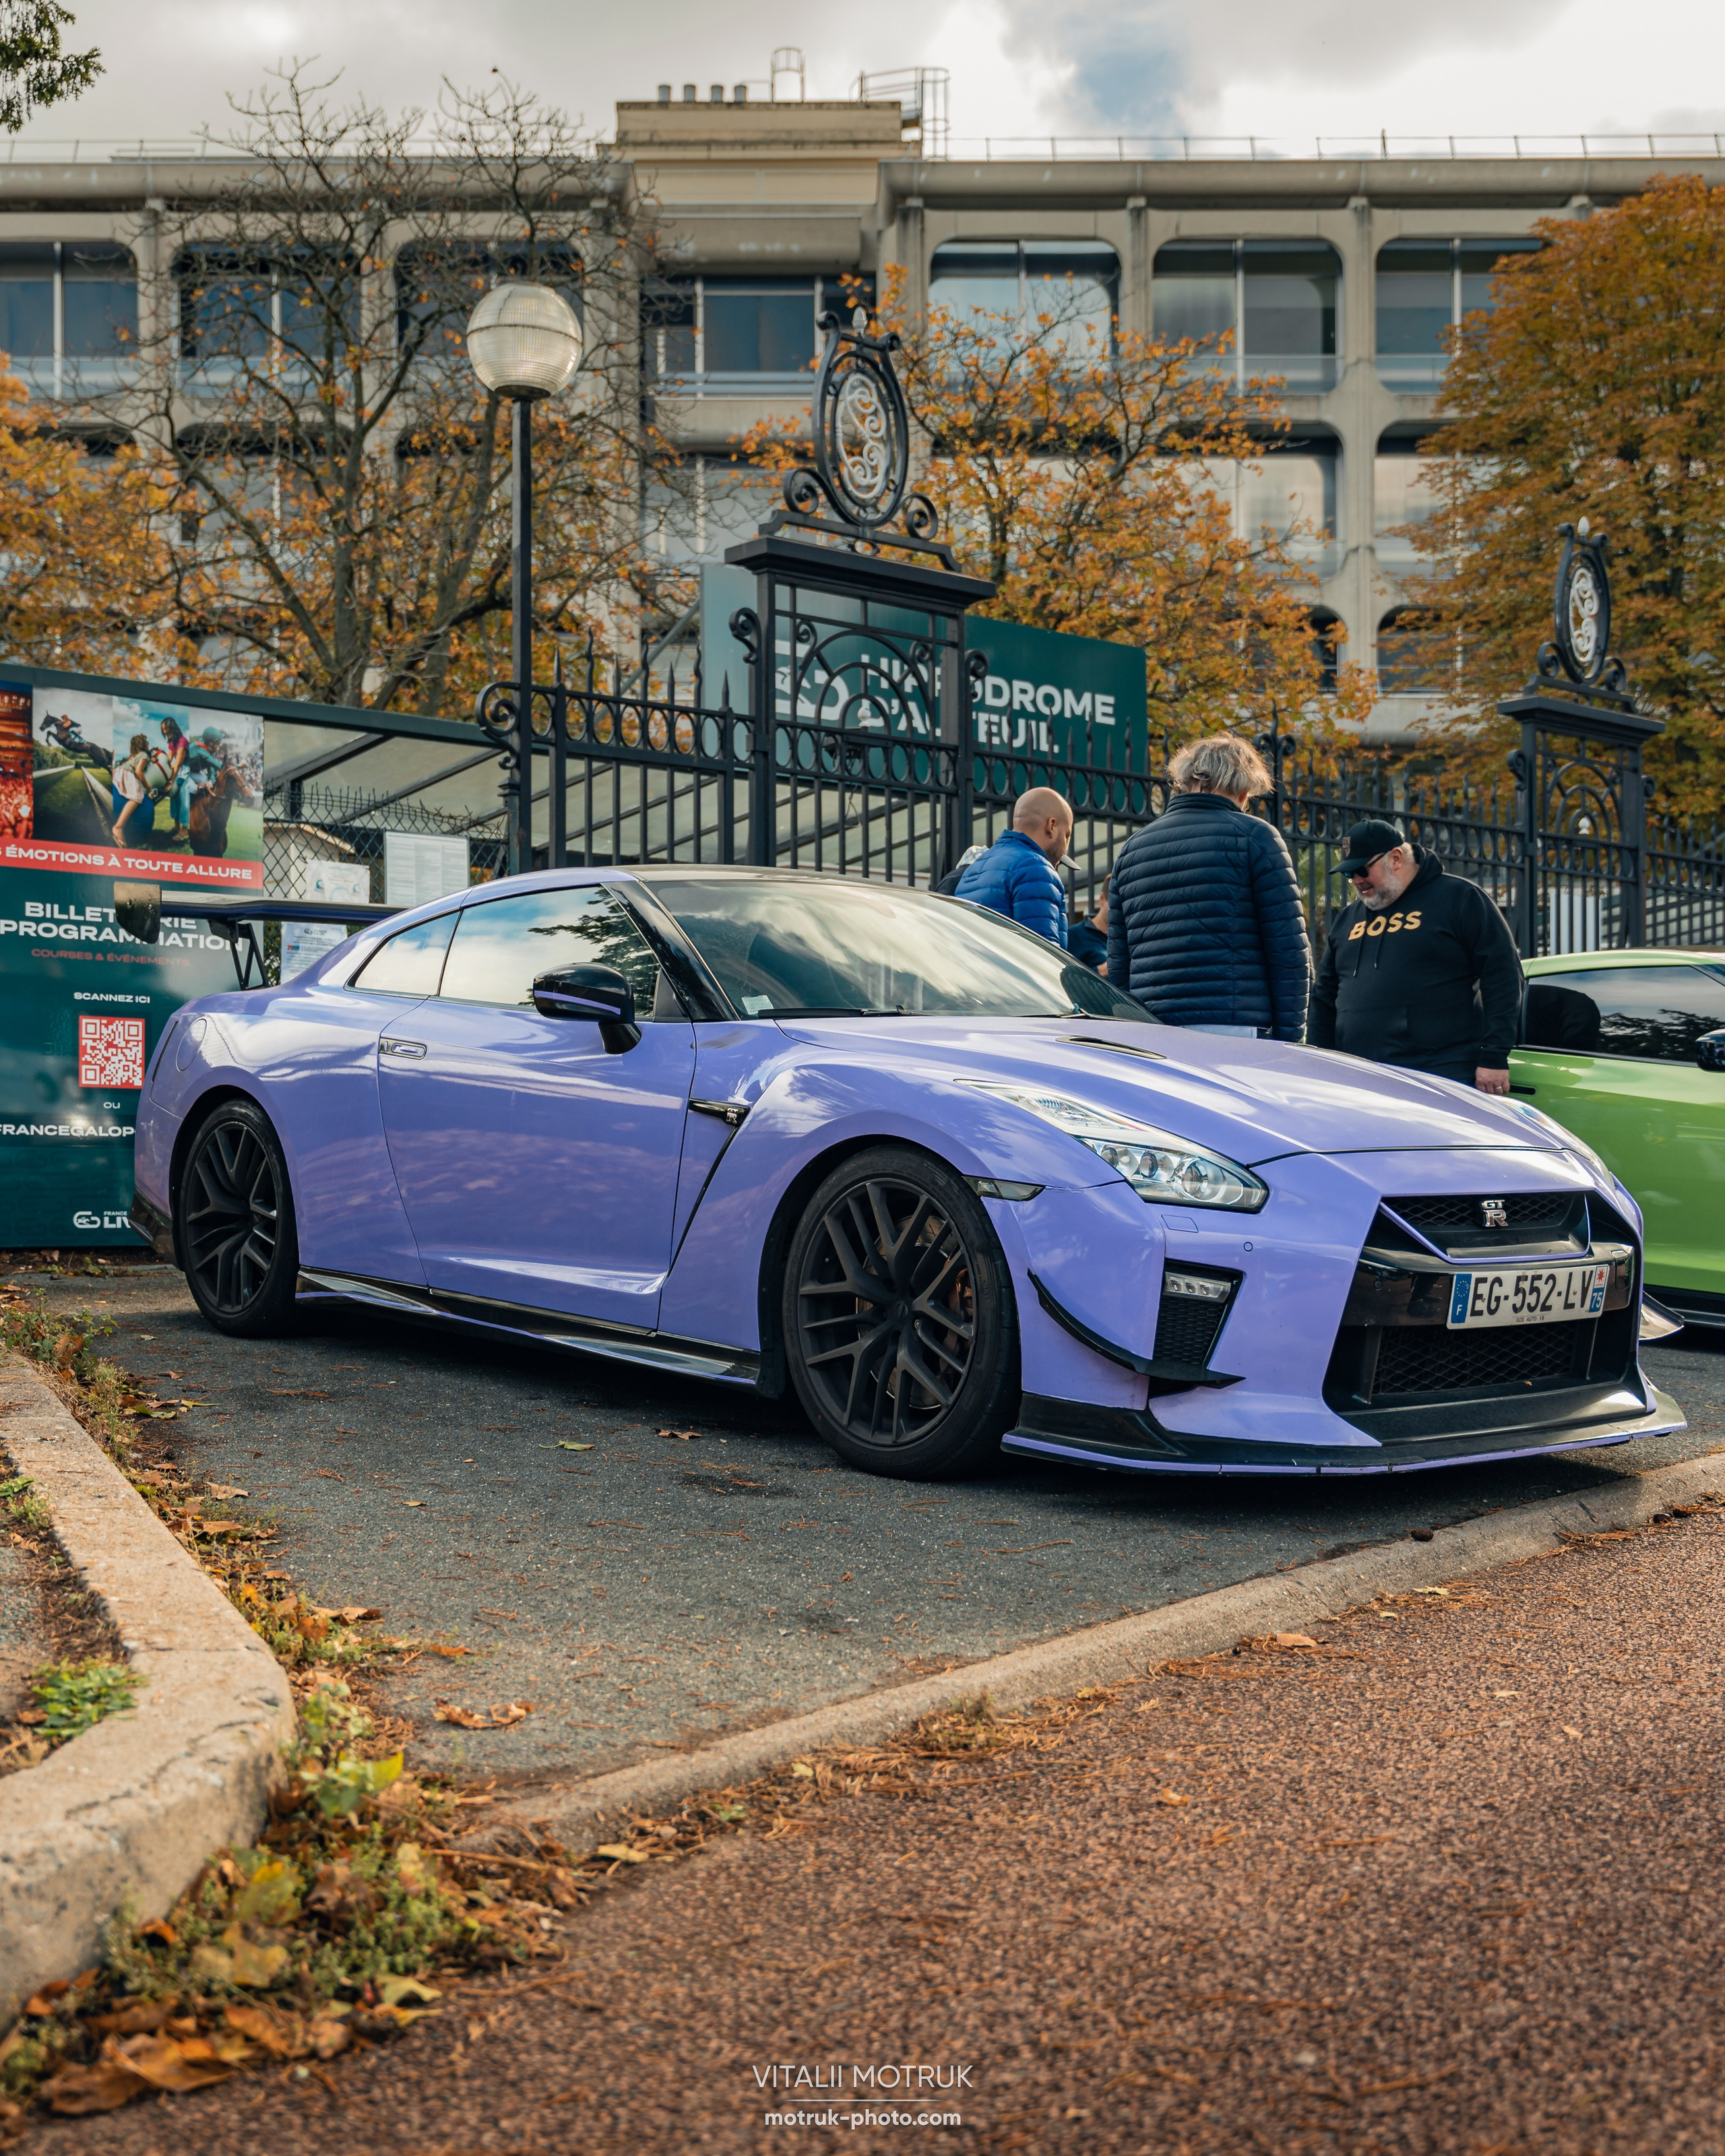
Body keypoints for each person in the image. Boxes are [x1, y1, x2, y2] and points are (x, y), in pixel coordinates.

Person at [1106, 733, 1310, 1038]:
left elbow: (1120, 961)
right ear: (1242, 790)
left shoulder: (1132, 849)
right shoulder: (1255, 838)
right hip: (1234, 1025)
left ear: (1186, 781)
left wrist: (1132, 1028)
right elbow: (1289, 953)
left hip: (1152, 1029)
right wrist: (1289, 1039)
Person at [1308, 817, 1522, 1093]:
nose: (1357, 881)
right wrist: (1318, 1061)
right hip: (1359, 1077)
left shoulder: (1460, 899)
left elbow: (1502, 975)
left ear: (1396, 858)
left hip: (1440, 1073)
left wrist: (1494, 1055)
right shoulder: (1348, 918)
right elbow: (1325, 995)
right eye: (1349, 875)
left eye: (1362, 870)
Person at [953, 787, 1073, 947]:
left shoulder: (974, 867)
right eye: (1067, 835)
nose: (1066, 847)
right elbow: (1043, 953)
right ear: (1051, 826)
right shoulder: (1036, 868)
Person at [110, 734, 153, 846]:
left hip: (118, 772)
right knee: (137, 797)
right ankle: (118, 827)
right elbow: (139, 772)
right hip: (127, 774)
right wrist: (148, 787)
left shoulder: (134, 755)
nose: (149, 744)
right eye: (147, 742)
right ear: (143, 744)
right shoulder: (144, 755)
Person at [1067, 873, 1109, 973]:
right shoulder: (1076, 935)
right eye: (1115, 905)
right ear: (1102, 899)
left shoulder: (1126, 938)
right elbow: (1067, 977)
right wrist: (1102, 970)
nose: (1120, 911)